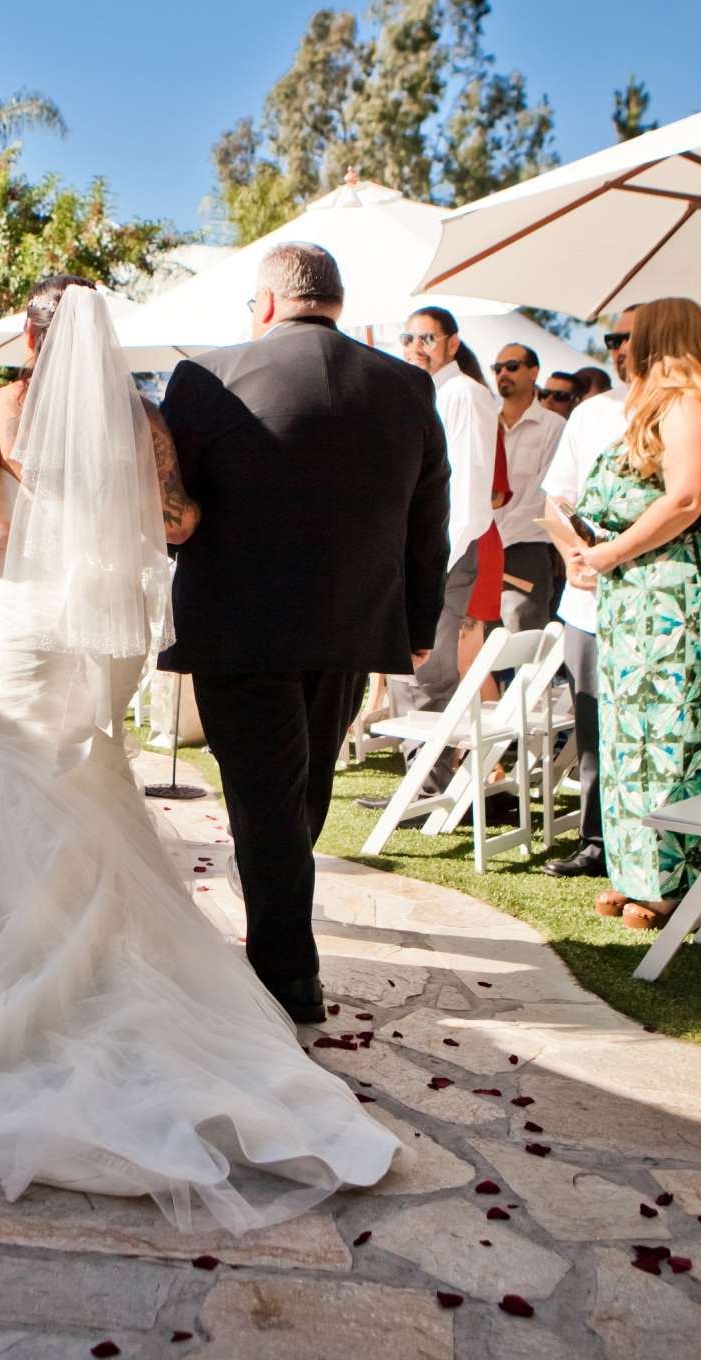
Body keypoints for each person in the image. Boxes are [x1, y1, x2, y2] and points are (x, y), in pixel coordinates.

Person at [0, 278, 395, 1227]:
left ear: (31, 334)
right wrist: (109, 535)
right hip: (106, 631)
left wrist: (29, 544)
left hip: (26, 621)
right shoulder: (145, 421)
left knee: (26, 778)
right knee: (90, 774)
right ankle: (96, 966)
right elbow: (181, 523)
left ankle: (26, 973)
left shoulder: (0, 408)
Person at [160, 243, 448, 1023]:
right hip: (350, 626)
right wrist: (418, 624)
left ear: (264, 304)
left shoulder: (205, 378)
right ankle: (280, 932)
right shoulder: (407, 384)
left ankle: (288, 980)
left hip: (237, 625)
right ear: (337, 303)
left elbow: (170, 508)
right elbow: (430, 524)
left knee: (268, 801)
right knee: (299, 794)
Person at [540, 304, 701, 878]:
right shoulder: (655, 408)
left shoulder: (693, 405)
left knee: (673, 741)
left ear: (659, 340)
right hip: (639, 601)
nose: (621, 347)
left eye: (632, 337)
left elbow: (688, 499)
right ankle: (639, 869)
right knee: (634, 745)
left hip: (675, 606)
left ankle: (674, 879)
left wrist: (612, 553)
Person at [396, 305, 496, 720]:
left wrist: (435, 566)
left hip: (444, 554)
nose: (416, 347)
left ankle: (431, 783)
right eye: (408, 339)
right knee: (409, 674)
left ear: (452, 343)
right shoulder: (425, 393)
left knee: (429, 678)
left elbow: (469, 495)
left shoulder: (464, 395)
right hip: (419, 552)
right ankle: (424, 780)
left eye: (427, 338)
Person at [491, 340, 565, 632]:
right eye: (497, 368)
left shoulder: (553, 426)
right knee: (479, 651)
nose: (502, 374)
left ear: (534, 372)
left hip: (526, 549)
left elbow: (544, 495)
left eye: (511, 366)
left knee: (524, 647)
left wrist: (499, 538)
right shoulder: (486, 422)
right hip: (481, 547)